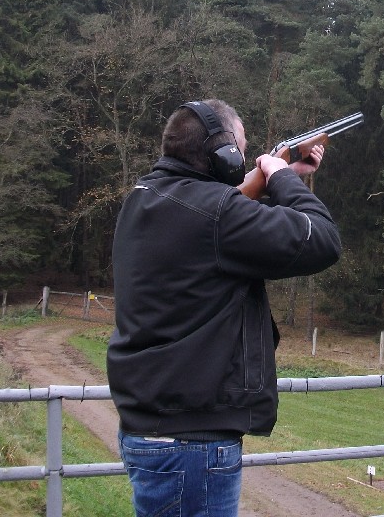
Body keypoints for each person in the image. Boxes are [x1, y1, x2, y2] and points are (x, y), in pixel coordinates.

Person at [106, 98, 341, 517]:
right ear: (225, 154)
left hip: (154, 428)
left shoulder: (144, 196)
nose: (245, 158)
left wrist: (277, 178)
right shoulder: (216, 214)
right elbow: (322, 239)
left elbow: (218, 217)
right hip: (192, 445)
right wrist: (281, 177)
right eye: (242, 149)